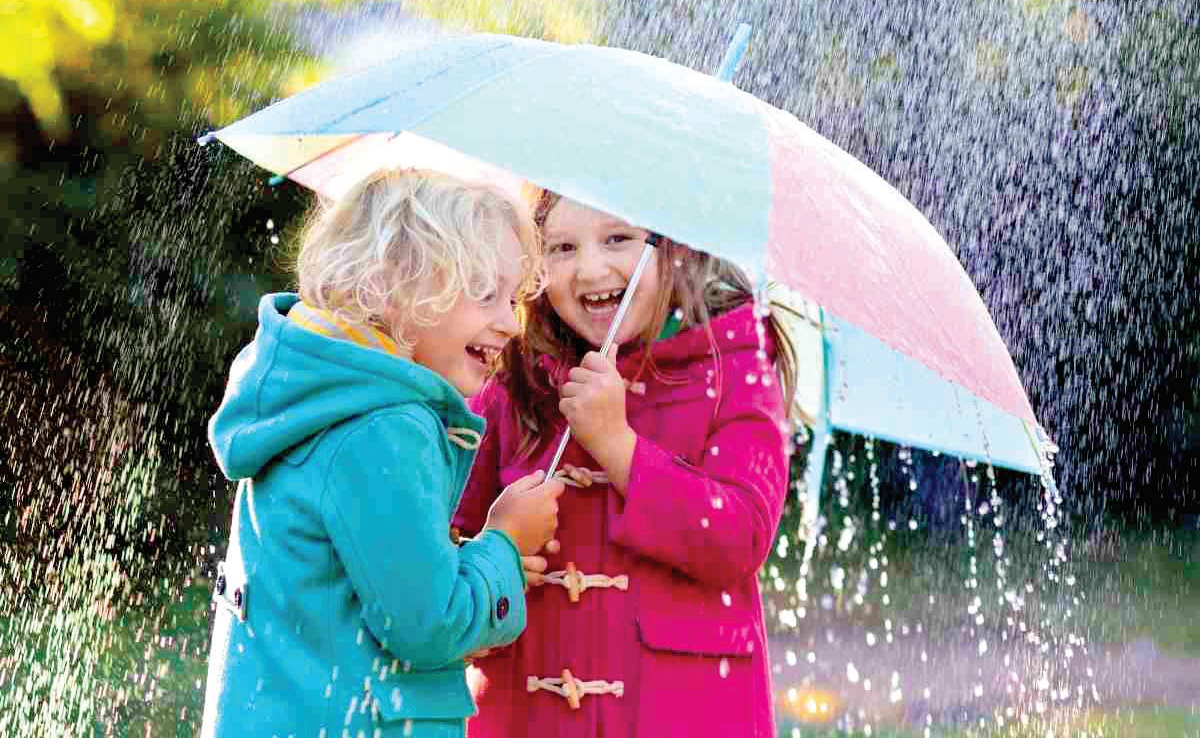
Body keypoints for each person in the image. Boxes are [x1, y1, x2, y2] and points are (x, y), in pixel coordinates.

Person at [200, 170, 566, 738]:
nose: (508, 323)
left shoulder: (317, 392)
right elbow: (427, 624)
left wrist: (466, 563)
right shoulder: (386, 426)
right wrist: (506, 544)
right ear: (398, 285)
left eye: (513, 298)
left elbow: (348, 592)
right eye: (484, 293)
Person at [453, 190, 800, 737]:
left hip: (683, 716)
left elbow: (740, 536)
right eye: (562, 248)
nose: (591, 269)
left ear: (673, 248)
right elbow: (448, 528)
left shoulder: (734, 365)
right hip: (528, 714)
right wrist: (491, 556)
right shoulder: (515, 378)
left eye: (618, 238)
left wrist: (618, 446)